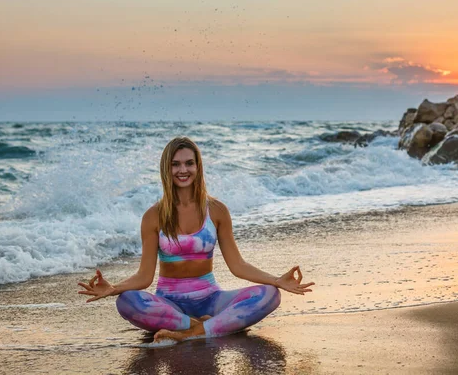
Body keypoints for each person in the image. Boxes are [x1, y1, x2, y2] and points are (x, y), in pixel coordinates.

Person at [77, 137, 314, 343]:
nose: (183, 170)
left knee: (270, 294)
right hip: (169, 304)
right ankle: (200, 326)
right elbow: (144, 277)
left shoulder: (217, 210)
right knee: (126, 301)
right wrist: (114, 288)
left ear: (198, 167)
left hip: (212, 300)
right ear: (166, 169)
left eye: (189, 163)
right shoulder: (153, 216)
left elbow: (237, 265)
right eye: (176, 164)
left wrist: (276, 280)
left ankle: (194, 331)